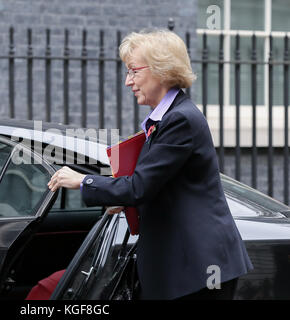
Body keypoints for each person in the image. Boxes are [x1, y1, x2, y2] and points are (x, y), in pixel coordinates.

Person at [47, 29, 253, 300]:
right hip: (185, 266)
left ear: (162, 70)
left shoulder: (180, 120)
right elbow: (158, 185)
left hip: (199, 269)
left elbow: (139, 186)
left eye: (133, 71)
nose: (127, 81)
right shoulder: (168, 119)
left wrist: (83, 180)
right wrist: (124, 198)